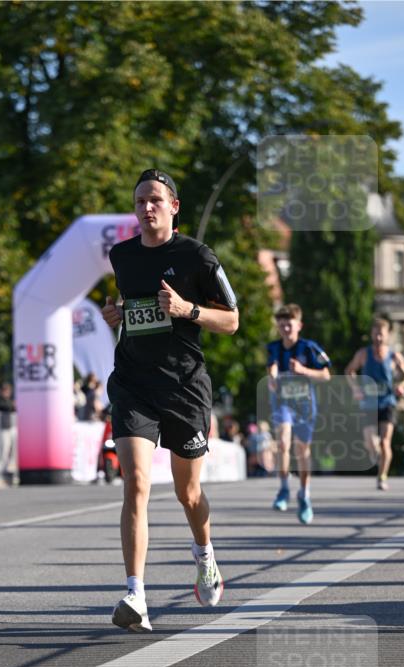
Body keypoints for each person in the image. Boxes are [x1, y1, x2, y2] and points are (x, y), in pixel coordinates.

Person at [101, 167, 239, 633]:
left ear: (174, 206)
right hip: (133, 383)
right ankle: (135, 596)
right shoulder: (121, 256)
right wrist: (114, 316)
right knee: (136, 482)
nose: (147, 207)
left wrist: (188, 310)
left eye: (156, 199)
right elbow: (129, 312)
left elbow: (233, 319)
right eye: (140, 200)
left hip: (183, 387)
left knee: (187, 492)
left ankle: (205, 555)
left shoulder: (197, 256)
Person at [267, 303, 331, 524]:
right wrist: (273, 378)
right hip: (283, 403)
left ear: (299, 325)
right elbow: (272, 366)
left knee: (302, 450)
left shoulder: (309, 348)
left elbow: (326, 375)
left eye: (289, 325)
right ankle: (284, 489)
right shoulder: (274, 347)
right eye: (282, 325)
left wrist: (303, 370)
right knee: (283, 443)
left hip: (305, 405)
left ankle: (304, 495)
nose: (286, 329)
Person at [345, 316, 404, 490]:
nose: (378, 338)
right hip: (368, 403)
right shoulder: (363, 354)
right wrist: (355, 388)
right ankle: (374, 454)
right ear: (371, 334)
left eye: (381, 335)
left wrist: (402, 386)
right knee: (370, 442)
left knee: (385, 442)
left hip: (387, 402)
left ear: (387, 335)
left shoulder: (394, 356)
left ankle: (382, 476)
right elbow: (349, 371)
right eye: (375, 334)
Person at [0, 381, 18, 484]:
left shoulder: (10, 401)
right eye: (4, 390)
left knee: (13, 450)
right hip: (3, 428)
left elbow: (14, 408)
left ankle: (11, 470)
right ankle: (0, 471)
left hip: (12, 428)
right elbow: (6, 407)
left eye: (8, 390)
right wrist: (12, 404)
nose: (6, 392)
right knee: (4, 449)